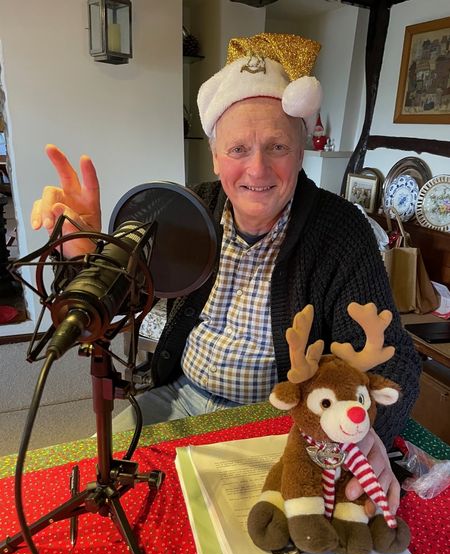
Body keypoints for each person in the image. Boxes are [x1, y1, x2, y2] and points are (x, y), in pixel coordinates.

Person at [31, 33, 421, 515]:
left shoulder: (339, 231)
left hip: (282, 419)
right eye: (238, 148)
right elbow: (113, 306)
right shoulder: (184, 210)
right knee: (111, 488)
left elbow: (396, 359)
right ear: (216, 157)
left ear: (301, 150)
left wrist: (366, 435)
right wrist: (88, 254)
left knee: (264, 528)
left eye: (277, 144)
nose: (257, 168)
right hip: (179, 397)